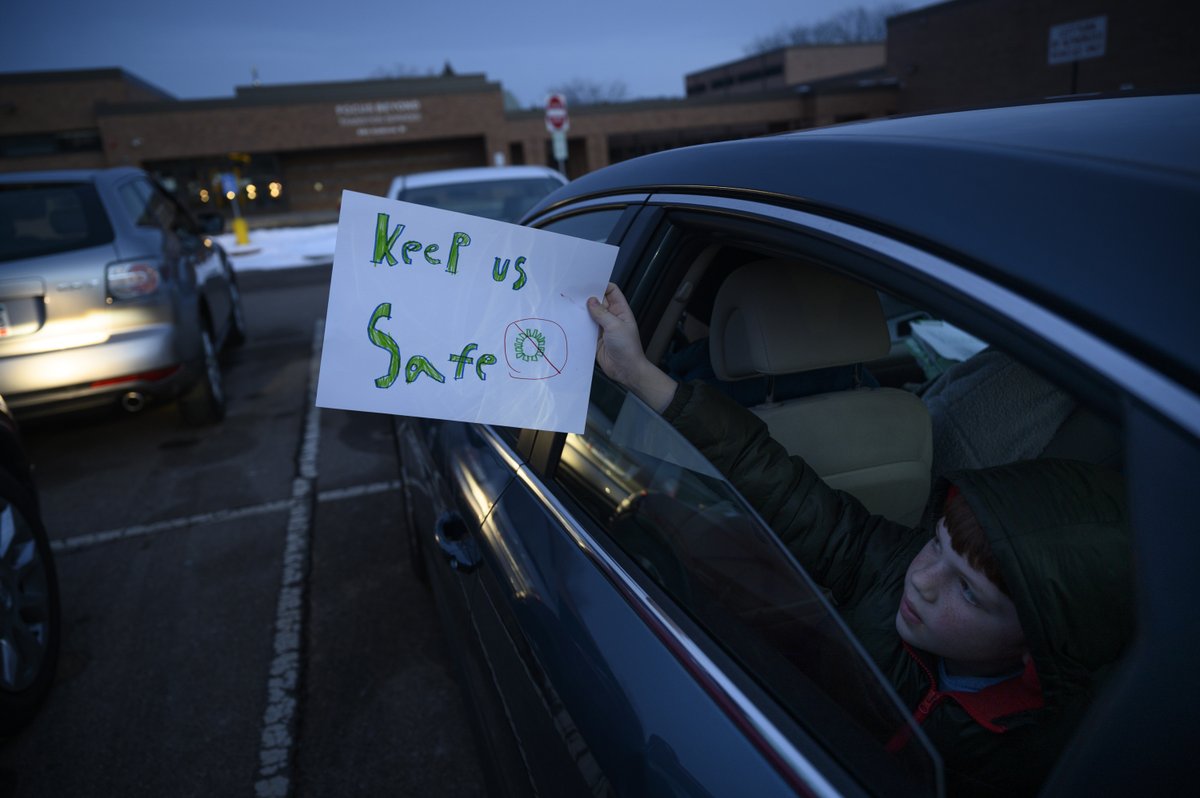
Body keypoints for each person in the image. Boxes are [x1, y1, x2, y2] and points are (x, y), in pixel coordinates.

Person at [587, 283, 1132, 796]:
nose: (920, 581)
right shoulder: (891, 568)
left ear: (1034, 642)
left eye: (969, 592)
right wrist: (637, 373)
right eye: (936, 543)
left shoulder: (1057, 755)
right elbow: (775, 481)